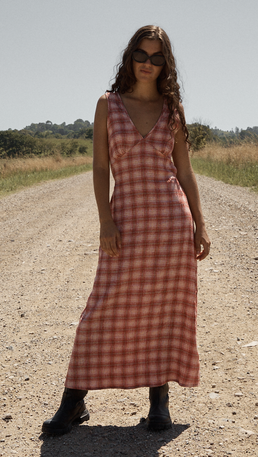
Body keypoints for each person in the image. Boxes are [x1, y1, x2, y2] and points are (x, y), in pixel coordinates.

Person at [42, 25, 210, 435]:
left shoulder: (173, 108)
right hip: (127, 219)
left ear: (165, 63)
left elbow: (185, 172)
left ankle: (159, 401)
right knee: (101, 309)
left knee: (164, 309)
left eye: (156, 57)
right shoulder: (108, 104)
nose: (148, 64)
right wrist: (105, 219)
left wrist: (200, 223)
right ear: (129, 57)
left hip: (171, 222)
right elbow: (101, 168)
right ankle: (74, 399)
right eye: (141, 55)